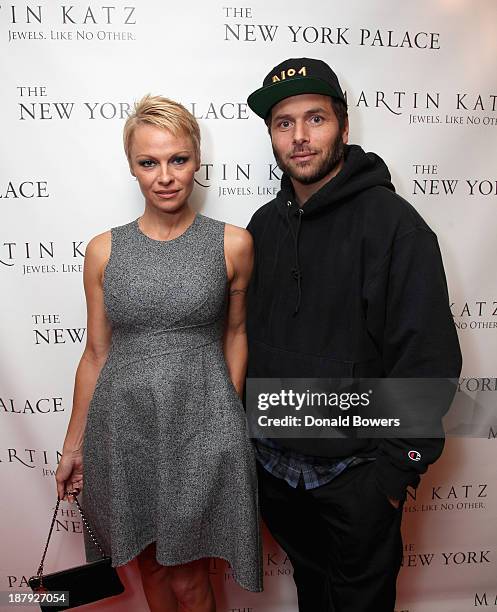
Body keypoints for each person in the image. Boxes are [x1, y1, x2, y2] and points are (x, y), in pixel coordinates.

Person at [246, 58, 462, 611]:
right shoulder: (262, 227)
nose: (299, 137)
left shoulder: (395, 226)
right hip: (277, 474)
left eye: (314, 118)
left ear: (343, 125)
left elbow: (427, 362)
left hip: (356, 479)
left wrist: (390, 478)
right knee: (311, 599)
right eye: (283, 122)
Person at [55, 94, 263, 612]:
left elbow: (236, 335)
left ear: (197, 160)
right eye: (149, 162)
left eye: (178, 159)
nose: (165, 176)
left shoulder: (232, 244)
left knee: (191, 576)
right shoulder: (103, 249)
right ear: (132, 167)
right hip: (124, 430)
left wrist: (225, 417)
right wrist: (72, 446)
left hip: (201, 429)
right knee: (149, 567)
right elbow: (95, 354)